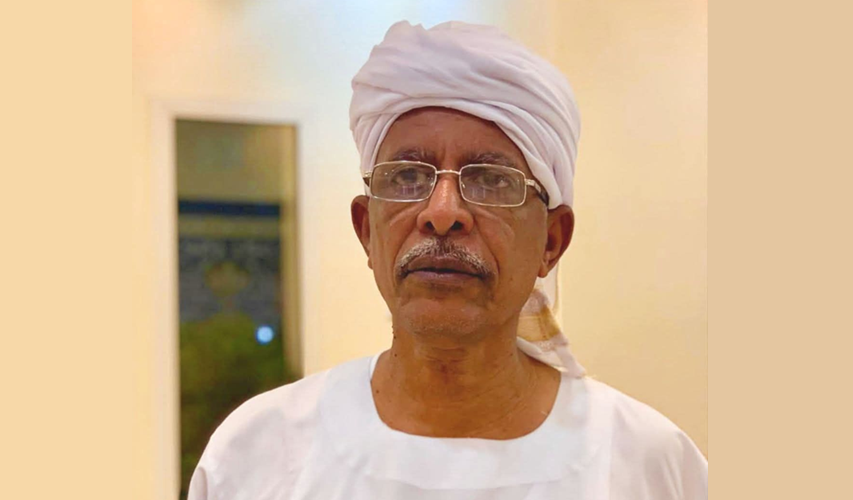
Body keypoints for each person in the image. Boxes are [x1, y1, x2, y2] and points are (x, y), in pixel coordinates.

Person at [188, 20, 708, 500]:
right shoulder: (257, 455)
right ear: (366, 230)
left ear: (552, 241)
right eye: (407, 176)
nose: (442, 213)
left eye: (491, 180)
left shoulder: (649, 465)